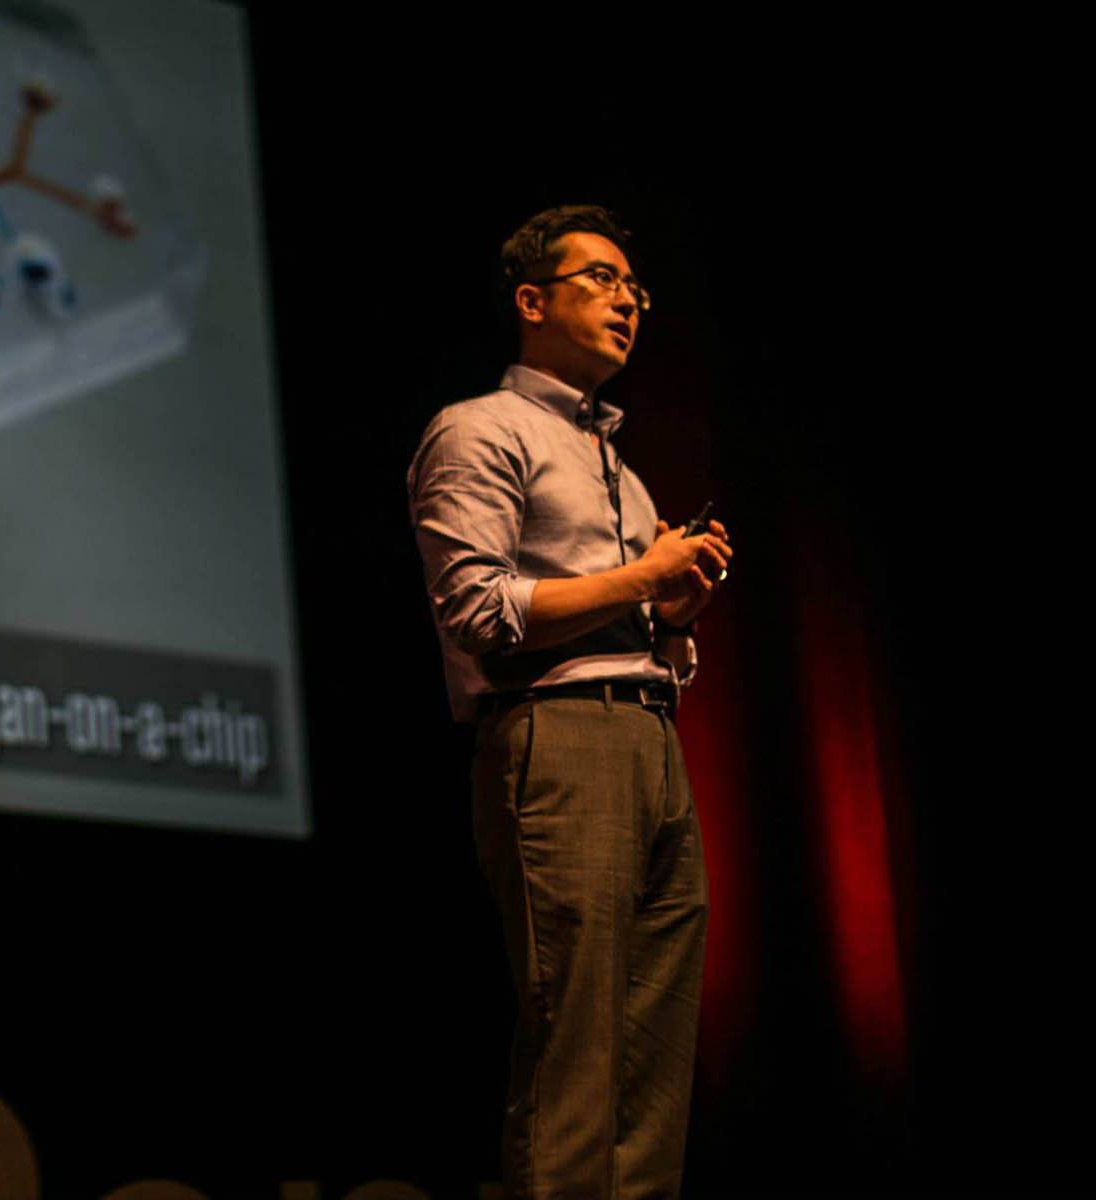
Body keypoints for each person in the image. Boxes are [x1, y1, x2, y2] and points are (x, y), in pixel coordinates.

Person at [407, 204, 733, 1198]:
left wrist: (675, 615)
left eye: (636, 285)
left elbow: (647, 639)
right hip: (557, 738)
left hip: (652, 743)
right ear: (532, 301)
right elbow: (479, 611)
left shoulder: (628, 478)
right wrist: (643, 581)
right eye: (601, 278)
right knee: (577, 1046)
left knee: (653, 1059)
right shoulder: (479, 429)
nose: (628, 298)